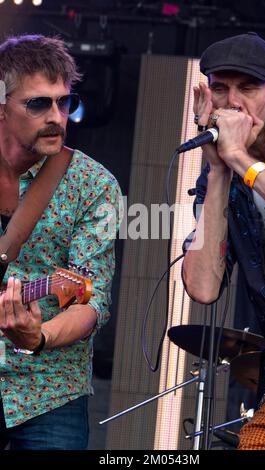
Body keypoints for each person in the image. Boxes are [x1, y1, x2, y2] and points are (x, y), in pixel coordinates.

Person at [0, 35, 121, 450]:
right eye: (38, 104)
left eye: (64, 102)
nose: (57, 116)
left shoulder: (94, 186)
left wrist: (39, 337)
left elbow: (92, 301)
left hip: (49, 395)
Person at [182, 32, 265, 450]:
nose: (231, 102)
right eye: (220, 88)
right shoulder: (222, 166)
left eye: (247, 88)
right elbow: (202, 287)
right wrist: (217, 174)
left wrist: (242, 162)